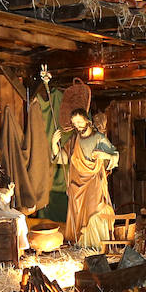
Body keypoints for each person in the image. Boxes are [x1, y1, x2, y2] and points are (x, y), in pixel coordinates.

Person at [51, 106, 119, 252]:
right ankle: (83, 246)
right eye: (74, 123)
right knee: (79, 215)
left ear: (87, 121)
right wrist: (54, 144)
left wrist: (104, 155)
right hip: (77, 184)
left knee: (95, 211)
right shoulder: (74, 139)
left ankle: (97, 246)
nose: (77, 126)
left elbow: (115, 155)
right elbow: (62, 158)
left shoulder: (98, 138)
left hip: (94, 181)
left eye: (79, 122)